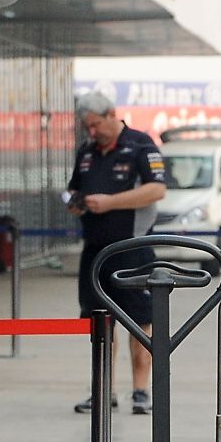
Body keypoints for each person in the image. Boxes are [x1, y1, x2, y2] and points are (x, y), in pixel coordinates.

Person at [67, 92, 167, 415]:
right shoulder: (86, 152)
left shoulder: (140, 145)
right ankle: (103, 391)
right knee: (99, 322)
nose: (92, 133)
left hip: (132, 249)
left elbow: (157, 189)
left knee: (140, 320)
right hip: (95, 251)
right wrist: (75, 202)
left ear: (111, 114)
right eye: (87, 128)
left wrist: (110, 202)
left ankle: (141, 391)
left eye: (95, 125)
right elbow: (74, 188)